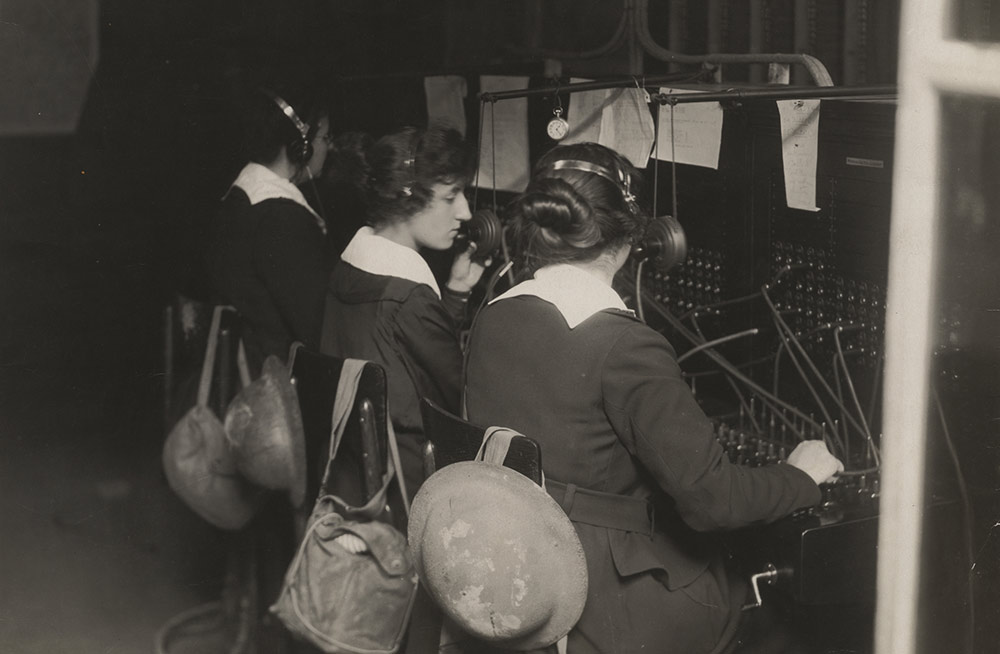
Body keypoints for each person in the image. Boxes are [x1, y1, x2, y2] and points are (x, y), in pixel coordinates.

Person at [464, 142, 843, 654]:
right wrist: (800, 476)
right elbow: (715, 501)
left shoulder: (493, 315)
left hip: (510, 571)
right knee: (782, 616)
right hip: (601, 604)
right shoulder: (626, 345)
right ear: (632, 238)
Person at [320, 124, 488, 501]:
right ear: (408, 198)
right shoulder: (408, 297)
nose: (464, 211)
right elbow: (459, 397)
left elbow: (404, 361)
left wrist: (456, 293)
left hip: (353, 477)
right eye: (451, 196)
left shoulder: (347, 270)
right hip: (409, 488)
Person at [206, 85, 331, 375]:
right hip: (275, 385)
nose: (330, 147)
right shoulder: (282, 217)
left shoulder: (240, 197)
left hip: (241, 374)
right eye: (326, 138)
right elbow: (318, 328)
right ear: (303, 147)